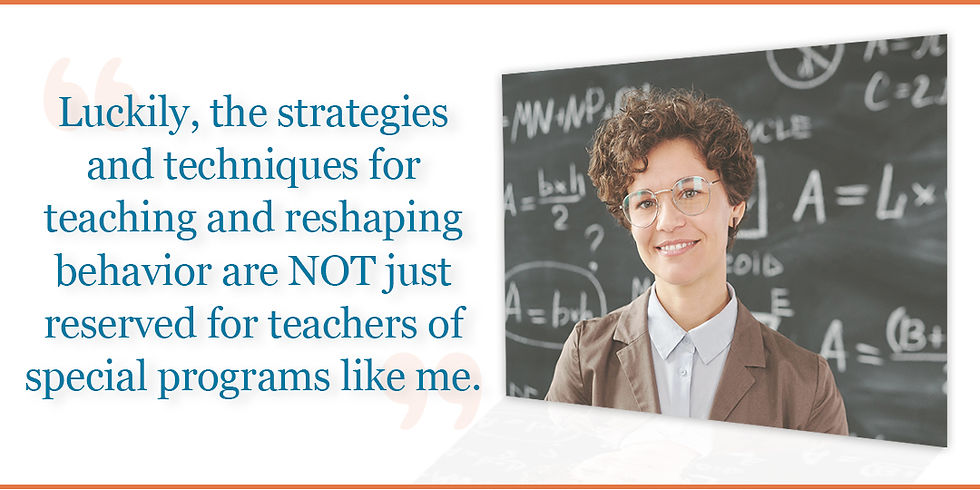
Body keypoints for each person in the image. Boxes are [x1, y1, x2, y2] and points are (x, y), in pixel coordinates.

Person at [545, 88, 848, 434]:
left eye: (689, 193)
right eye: (645, 202)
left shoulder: (807, 385)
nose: (667, 222)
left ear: (735, 206)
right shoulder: (587, 358)